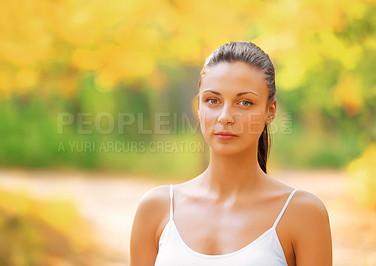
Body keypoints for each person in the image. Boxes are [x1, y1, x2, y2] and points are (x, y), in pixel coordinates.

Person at [129, 41, 333, 266]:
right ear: (199, 107)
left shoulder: (303, 213)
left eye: (245, 102)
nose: (225, 116)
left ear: (270, 111)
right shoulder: (157, 208)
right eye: (213, 101)